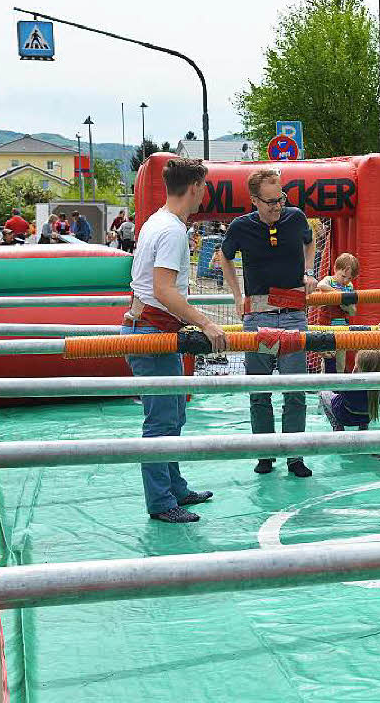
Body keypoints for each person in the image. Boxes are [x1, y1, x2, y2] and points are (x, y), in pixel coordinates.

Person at [123, 158, 226, 523]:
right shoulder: (170, 231)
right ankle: (162, 501)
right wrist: (206, 323)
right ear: (196, 186)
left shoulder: (159, 221)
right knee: (161, 422)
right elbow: (164, 291)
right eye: (204, 188)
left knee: (173, 415)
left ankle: (174, 488)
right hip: (152, 333)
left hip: (156, 330)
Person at [217, 168, 315, 478]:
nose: (277, 207)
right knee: (259, 389)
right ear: (254, 200)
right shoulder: (240, 227)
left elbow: (310, 242)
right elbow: (225, 256)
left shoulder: (296, 217)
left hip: (294, 314)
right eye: (270, 202)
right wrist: (236, 294)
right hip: (257, 315)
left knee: (295, 389)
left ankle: (294, 455)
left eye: (281, 199)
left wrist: (309, 272)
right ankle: (265, 453)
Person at [317, 347, 380, 467]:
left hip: (344, 416)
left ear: (357, 367)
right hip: (366, 417)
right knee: (364, 403)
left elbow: (332, 382)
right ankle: (363, 428)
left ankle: (337, 426)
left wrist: (329, 360)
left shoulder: (349, 386)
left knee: (323, 393)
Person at [317, 252, 360, 374]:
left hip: (342, 326)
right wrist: (338, 295)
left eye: (350, 278)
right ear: (335, 269)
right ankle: (324, 385)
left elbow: (352, 312)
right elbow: (321, 285)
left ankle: (339, 385)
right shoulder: (329, 280)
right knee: (327, 356)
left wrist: (346, 305)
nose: (346, 281)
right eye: (343, 276)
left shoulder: (349, 286)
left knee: (341, 358)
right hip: (327, 325)